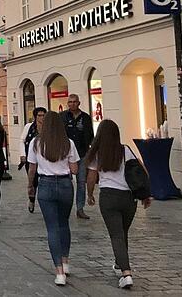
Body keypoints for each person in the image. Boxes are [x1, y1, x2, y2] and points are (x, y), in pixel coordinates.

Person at [84, 120, 151, 290]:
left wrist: (90, 194)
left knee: (116, 235)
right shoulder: (125, 150)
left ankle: (126, 273)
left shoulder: (97, 153)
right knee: (122, 233)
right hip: (128, 198)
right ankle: (119, 264)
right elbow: (141, 170)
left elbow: (91, 177)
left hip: (108, 197)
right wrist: (145, 193)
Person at [27, 111, 79, 287]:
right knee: (64, 223)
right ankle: (65, 261)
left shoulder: (36, 143)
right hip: (65, 185)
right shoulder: (68, 143)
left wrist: (30, 186)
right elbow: (75, 169)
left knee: (52, 227)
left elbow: (32, 169)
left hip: (46, 184)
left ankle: (59, 272)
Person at [62, 94, 94, 219]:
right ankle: (66, 207)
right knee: (67, 181)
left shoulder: (85, 117)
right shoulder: (63, 117)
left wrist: (91, 149)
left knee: (81, 182)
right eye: (70, 102)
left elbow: (90, 134)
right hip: (67, 154)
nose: (72, 104)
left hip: (82, 153)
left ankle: (80, 208)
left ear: (79, 103)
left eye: (75, 102)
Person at [20, 107, 46, 213]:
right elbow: (22, 140)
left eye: (43, 115)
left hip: (44, 159)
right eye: (39, 115)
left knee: (43, 181)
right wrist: (22, 154)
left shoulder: (48, 128)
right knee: (33, 180)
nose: (42, 117)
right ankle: (31, 199)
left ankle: (44, 201)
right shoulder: (29, 127)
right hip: (31, 158)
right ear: (35, 117)